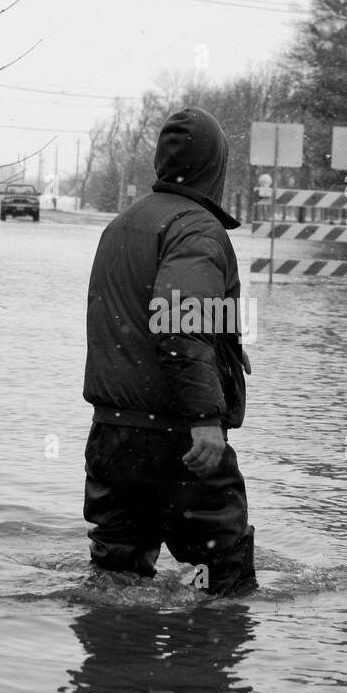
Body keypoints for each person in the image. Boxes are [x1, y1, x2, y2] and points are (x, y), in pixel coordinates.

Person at [82, 107, 256, 597]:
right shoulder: (198, 229)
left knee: (115, 580)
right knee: (224, 583)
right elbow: (180, 325)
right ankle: (205, 667)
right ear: (216, 168)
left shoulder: (122, 224)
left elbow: (137, 322)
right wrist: (204, 415)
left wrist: (224, 351)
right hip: (178, 438)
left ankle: (110, 661)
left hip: (112, 436)